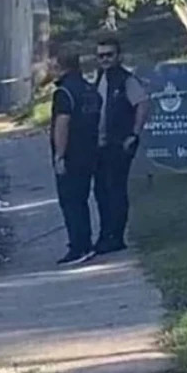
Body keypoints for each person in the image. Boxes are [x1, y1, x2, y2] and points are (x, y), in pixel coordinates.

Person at [93, 38, 149, 255]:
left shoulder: (126, 80)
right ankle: (105, 234)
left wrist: (134, 133)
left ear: (119, 56)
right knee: (101, 191)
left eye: (109, 55)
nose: (105, 59)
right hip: (100, 145)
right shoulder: (99, 78)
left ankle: (116, 236)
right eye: (101, 55)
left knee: (115, 189)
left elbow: (142, 103)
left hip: (119, 144)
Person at [51, 51, 103, 265]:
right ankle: (86, 243)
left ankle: (79, 246)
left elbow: (62, 124)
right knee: (82, 199)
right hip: (91, 151)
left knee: (71, 201)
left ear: (60, 66)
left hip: (72, 154)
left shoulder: (64, 92)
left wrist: (59, 155)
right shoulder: (90, 89)